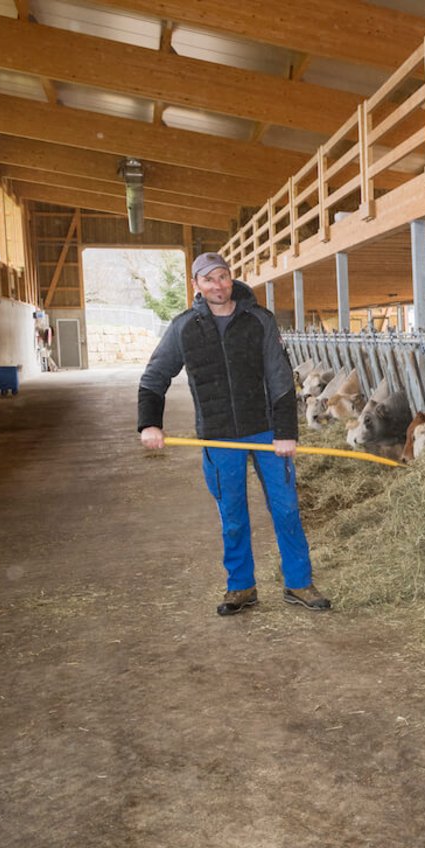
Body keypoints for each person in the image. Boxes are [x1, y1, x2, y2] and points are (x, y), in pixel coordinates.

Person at [137, 252, 330, 616]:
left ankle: (299, 582)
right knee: (233, 515)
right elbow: (154, 377)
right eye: (208, 279)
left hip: (268, 432)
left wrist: (286, 431)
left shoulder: (258, 320)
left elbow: (279, 378)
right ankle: (241, 586)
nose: (217, 285)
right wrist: (150, 423)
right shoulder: (184, 327)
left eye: (222, 277)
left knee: (287, 509)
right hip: (217, 436)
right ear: (196, 285)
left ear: (231, 278)